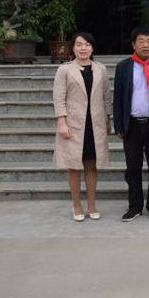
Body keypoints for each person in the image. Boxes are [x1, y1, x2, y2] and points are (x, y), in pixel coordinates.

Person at [52, 32, 111, 221]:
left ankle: (92, 204)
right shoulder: (65, 70)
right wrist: (61, 121)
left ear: (92, 47)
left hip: (95, 124)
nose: (83, 48)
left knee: (91, 165)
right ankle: (76, 205)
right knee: (74, 166)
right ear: (73, 48)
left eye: (87, 44)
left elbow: (106, 96)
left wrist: (108, 119)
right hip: (73, 124)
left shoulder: (100, 69)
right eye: (79, 44)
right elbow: (59, 97)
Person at [113, 27, 149, 222]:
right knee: (132, 168)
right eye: (141, 41)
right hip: (132, 125)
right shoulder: (123, 67)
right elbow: (118, 97)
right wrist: (119, 125)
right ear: (133, 45)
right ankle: (134, 206)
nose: (146, 45)